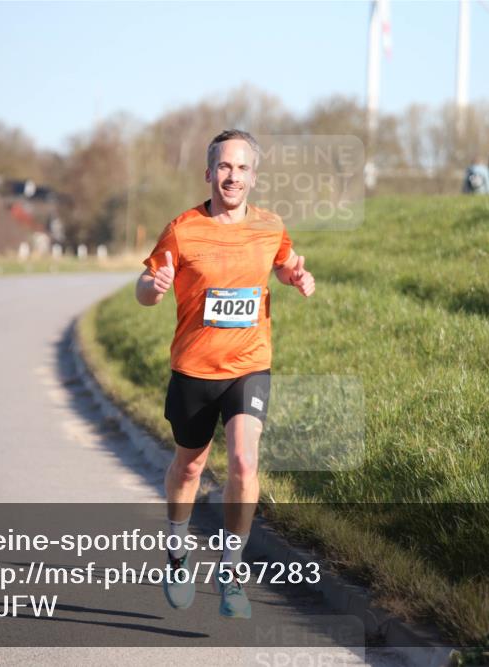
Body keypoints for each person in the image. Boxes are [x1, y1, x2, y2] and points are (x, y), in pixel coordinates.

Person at [136, 129, 315, 619]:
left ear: (253, 177)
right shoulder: (182, 229)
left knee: (243, 463)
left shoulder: (270, 226)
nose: (232, 177)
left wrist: (296, 275)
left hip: (249, 364)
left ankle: (231, 569)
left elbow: (282, 263)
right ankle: (176, 550)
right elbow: (144, 287)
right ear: (209, 173)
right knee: (190, 466)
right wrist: (154, 286)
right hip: (194, 368)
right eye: (224, 167)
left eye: (241, 168)